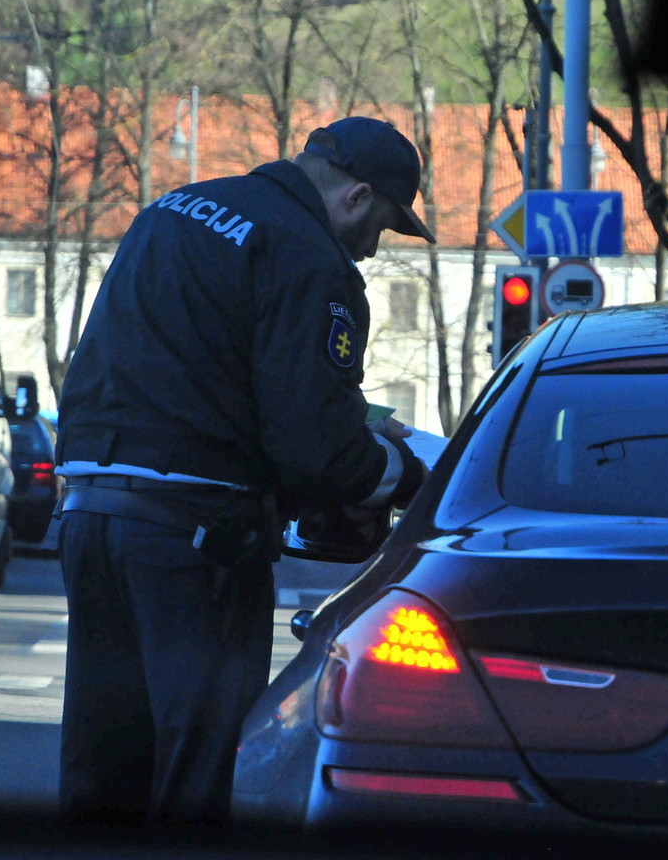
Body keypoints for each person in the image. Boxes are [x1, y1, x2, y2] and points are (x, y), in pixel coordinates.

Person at [48, 116, 434, 825]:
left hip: (90, 514)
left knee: (104, 762)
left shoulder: (170, 211)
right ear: (355, 196)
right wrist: (410, 473)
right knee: (200, 769)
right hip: (197, 538)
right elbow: (315, 448)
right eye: (383, 224)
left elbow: (186, 373)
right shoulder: (310, 259)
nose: (376, 248)